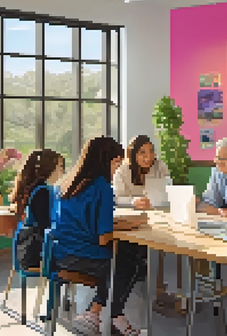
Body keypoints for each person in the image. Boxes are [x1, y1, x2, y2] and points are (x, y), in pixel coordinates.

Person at [52, 136, 147, 336]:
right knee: (133, 263)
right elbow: (103, 239)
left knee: (126, 256)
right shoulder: (102, 187)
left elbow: (87, 221)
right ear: (107, 162)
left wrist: (121, 225)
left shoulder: (66, 184)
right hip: (83, 256)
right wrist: (133, 225)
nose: (116, 170)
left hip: (60, 254)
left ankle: (111, 315)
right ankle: (97, 312)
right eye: (116, 164)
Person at [11, 149, 64, 270]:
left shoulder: (32, 188)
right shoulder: (43, 191)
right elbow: (45, 226)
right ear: (49, 168)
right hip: (36, 254)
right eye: (60, 166)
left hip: (25, 251)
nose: (62, 171)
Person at [113, 135, 171, 210]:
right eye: (142, 152)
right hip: (132, 213)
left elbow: (168, 193)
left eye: (151, 151)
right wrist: (133, 201)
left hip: (158, 211)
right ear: (133, 155)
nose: (148, 157)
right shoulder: (122, 171)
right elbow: (116, 198)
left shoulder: (160, 167)